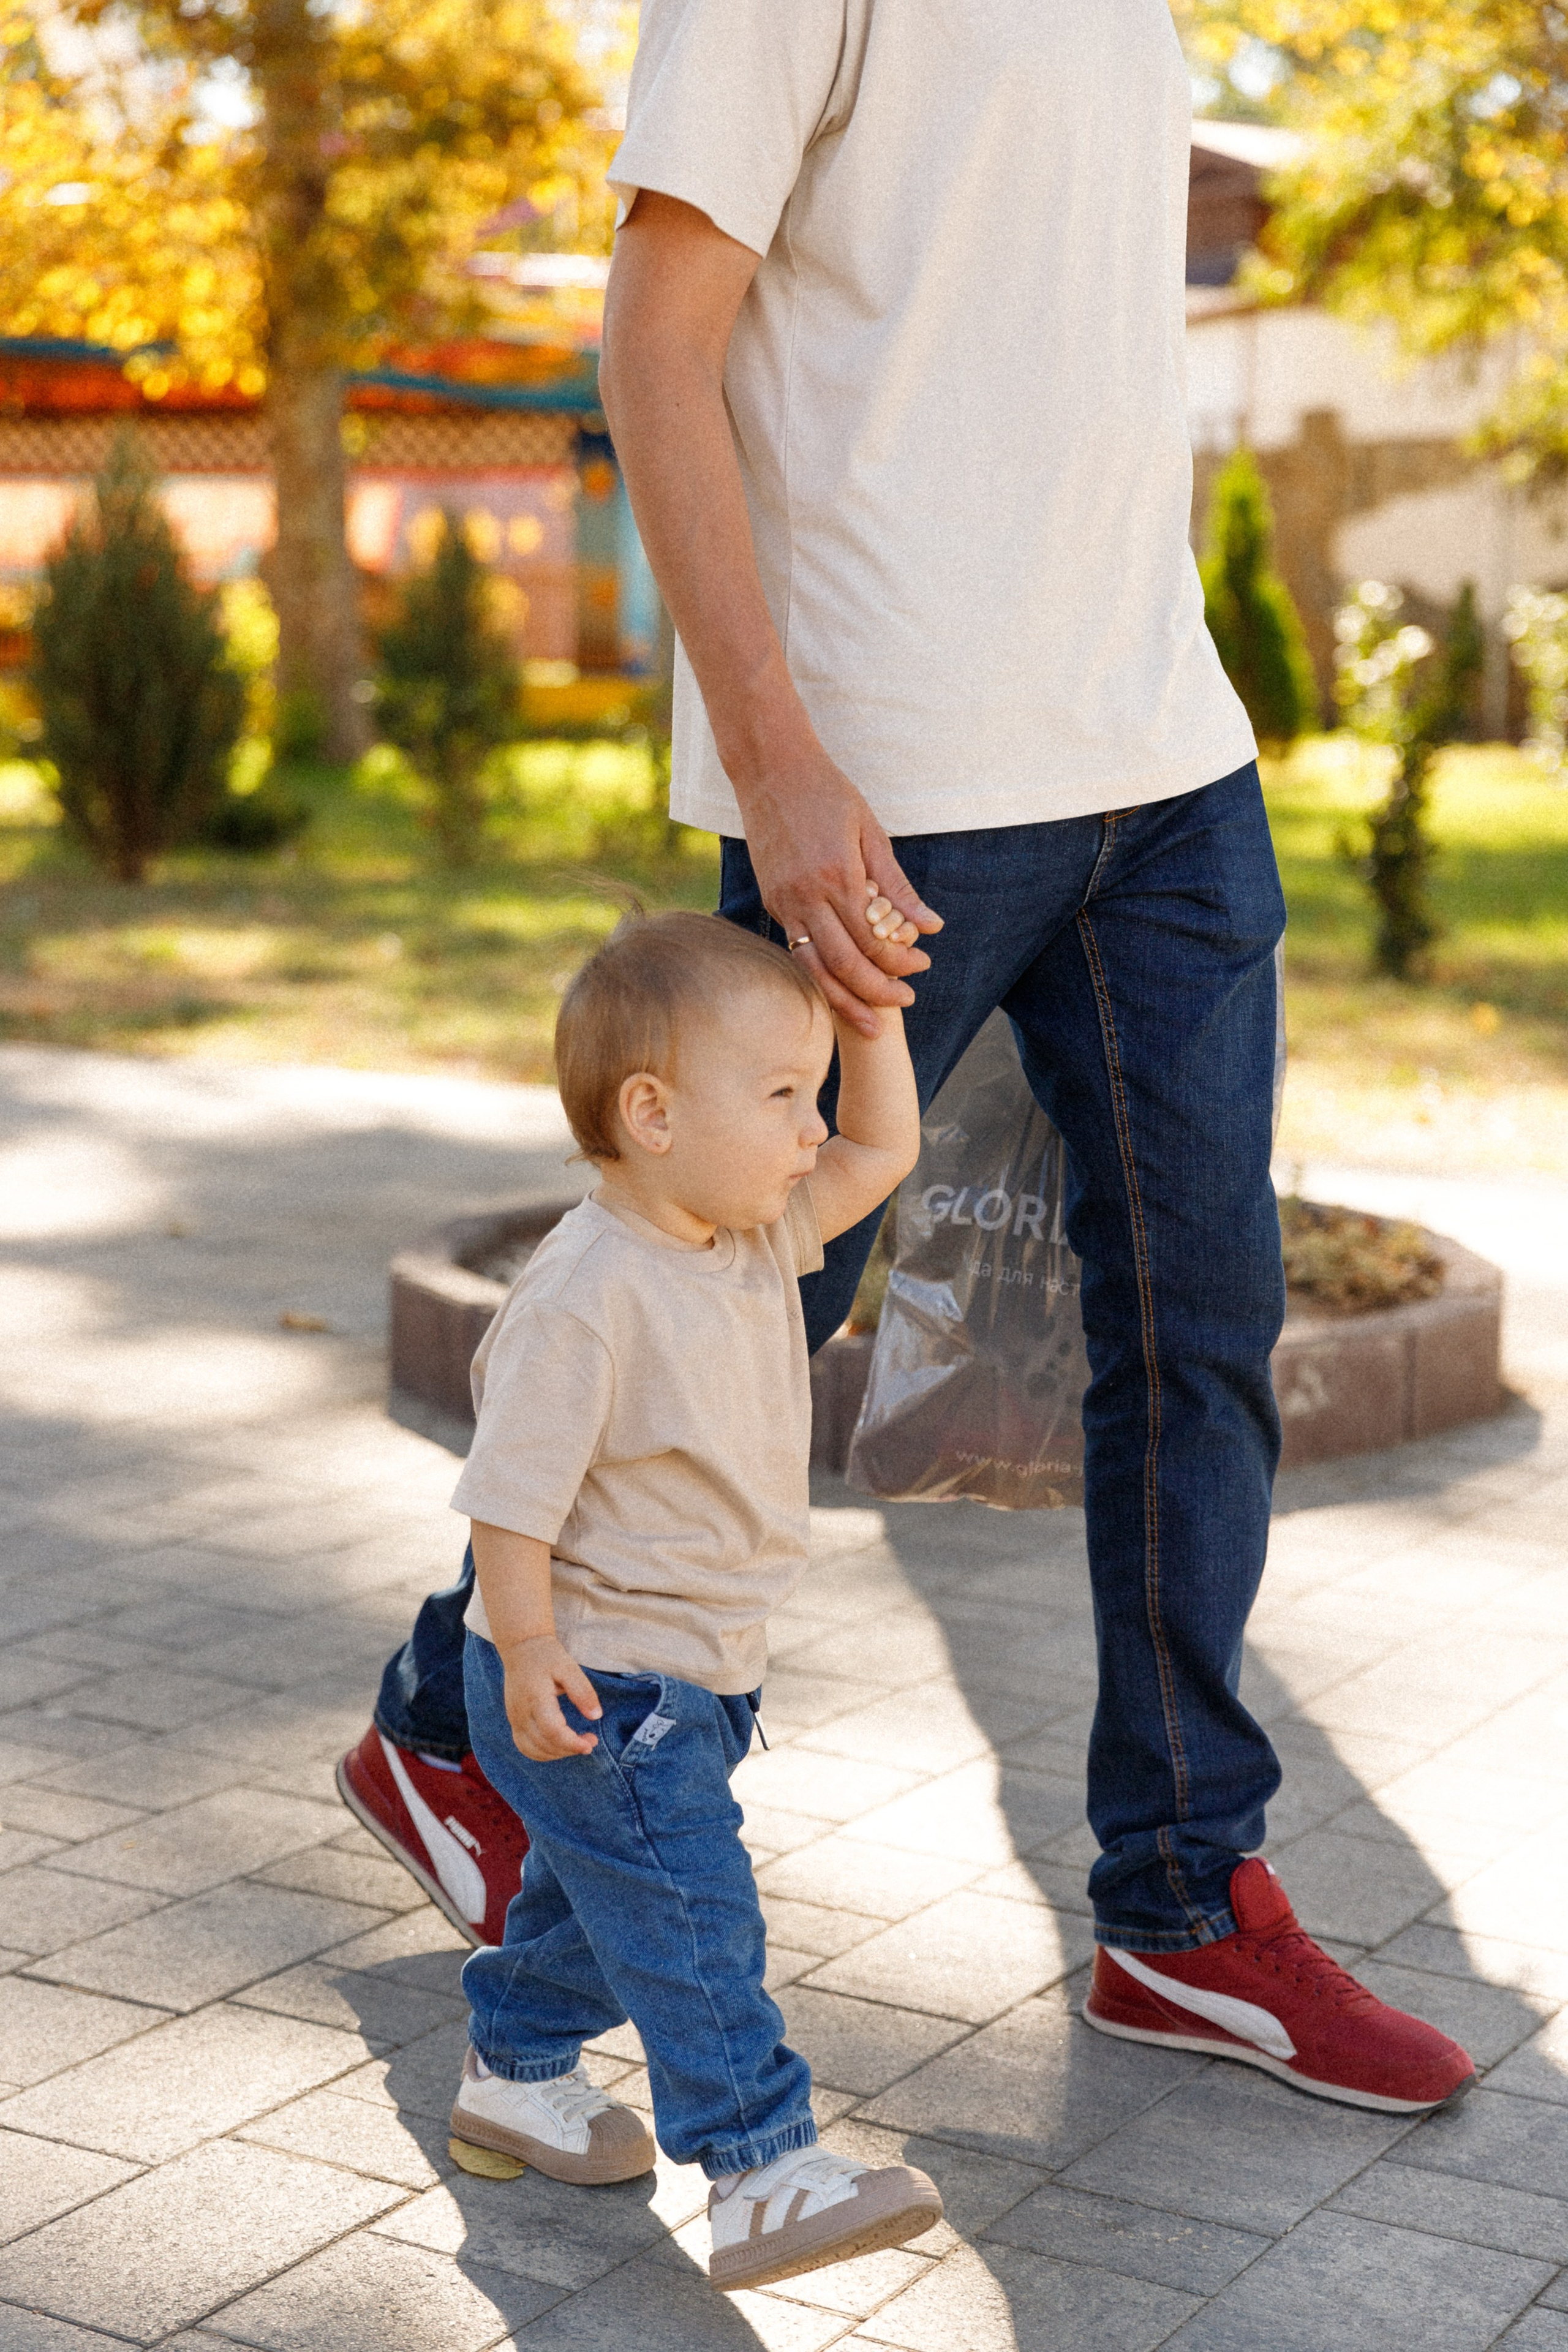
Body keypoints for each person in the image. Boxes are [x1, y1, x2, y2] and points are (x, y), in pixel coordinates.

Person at [341, 0, 1476, 2113]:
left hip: (1160, 752)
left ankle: (1177, 1901)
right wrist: (777, 764)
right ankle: (449, 1715)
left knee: (1201, 1322)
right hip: (882, 776)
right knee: (719, 1322)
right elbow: (655, 349)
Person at [440, 909, 944, 2292]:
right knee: (691, 1918)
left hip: (698, 1672)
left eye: (809, 1089)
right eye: (779, 1096)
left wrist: (873, 1025)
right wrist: (530, 1644)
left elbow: (882, 1152)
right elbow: (509, 1497)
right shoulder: (583, 1294)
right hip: (599, 1675)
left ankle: (515, 2066)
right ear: (651, 1114)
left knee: (618, 1909)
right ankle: (759, 2169)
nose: (810, 1125)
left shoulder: (741, 1234)